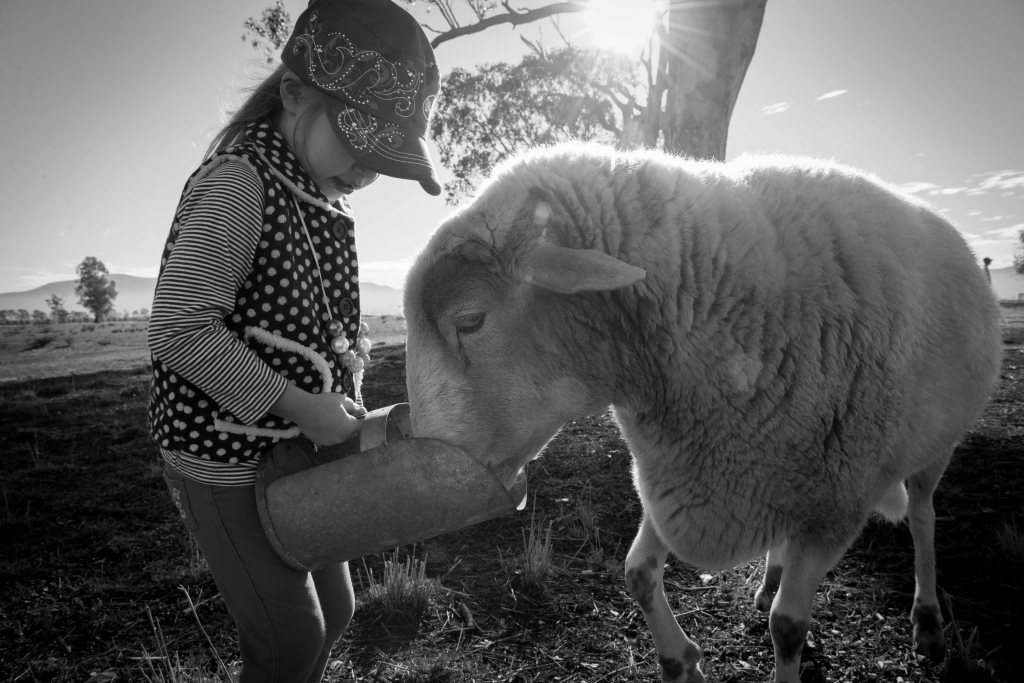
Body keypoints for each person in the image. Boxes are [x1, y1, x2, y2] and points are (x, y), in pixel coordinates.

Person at [147, 1, 441, 680]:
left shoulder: (318, 195)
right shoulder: (240, 182)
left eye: (384, 160)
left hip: (296, 455)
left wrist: (338, 392)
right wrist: (300, 403)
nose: (366, 172)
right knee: (289, 636)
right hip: (224, 457)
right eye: (359, 143)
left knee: (334, 613)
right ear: (293, 94)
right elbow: (180, 327)